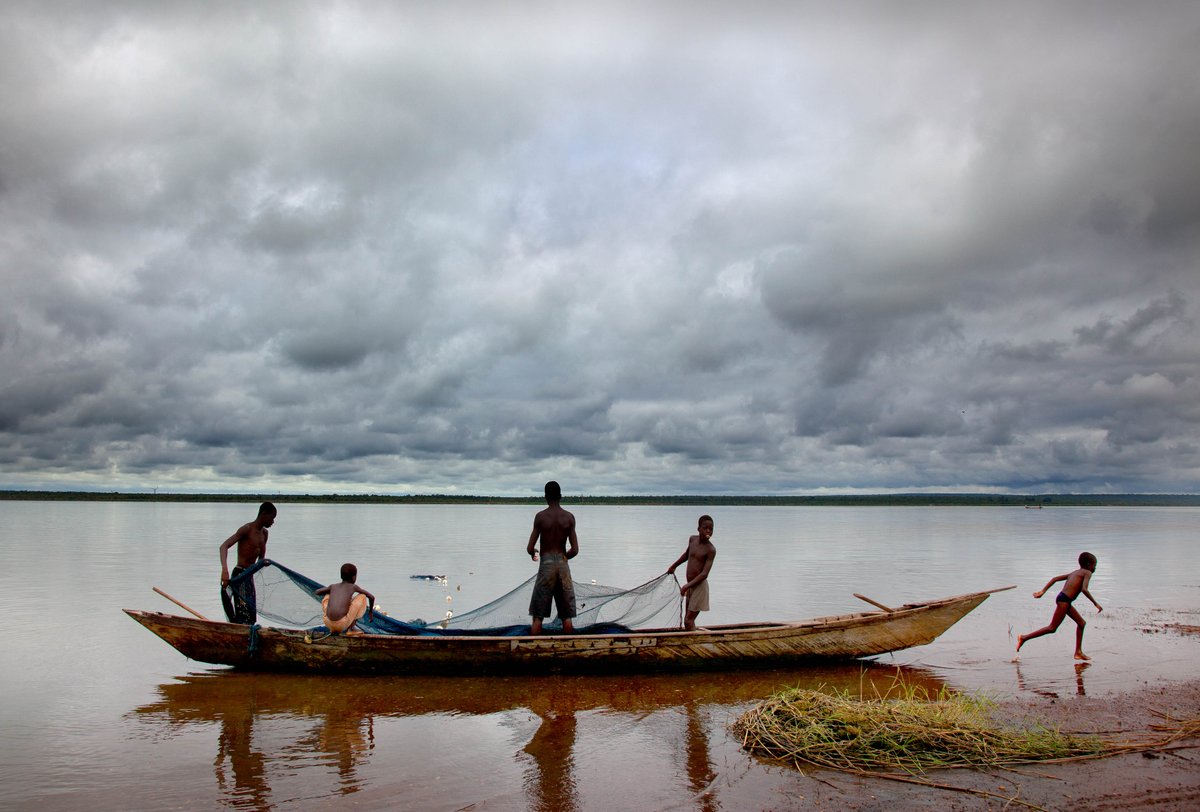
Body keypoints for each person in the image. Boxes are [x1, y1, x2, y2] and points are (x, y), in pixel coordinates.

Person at [1017, 552, 1103, 660]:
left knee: (1081, 623)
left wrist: (1042, 591)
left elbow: (1054, 579)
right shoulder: (1087, 573)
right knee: (1052, 628)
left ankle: (1078, 652)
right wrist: (1096, 603)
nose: (1095, 568)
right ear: (1088, 564)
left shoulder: (1075, 572)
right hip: (1064, 601)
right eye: (1094, 565)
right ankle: (1024, 638)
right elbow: (1084, 589)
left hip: (1064, 599)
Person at [526, 480, 579, 635]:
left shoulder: (541, 517)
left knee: (538, 615)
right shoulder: (569, 518)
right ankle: (569, 649)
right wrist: (563, 558)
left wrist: (533, 553)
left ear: (545, 497)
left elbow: (529, 547)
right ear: (560, 496)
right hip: (563, 566)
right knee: (566, 615)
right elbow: (575, 550)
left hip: (546, 565)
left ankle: (533, 650)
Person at [218, 502, 276, 624]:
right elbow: (223, 546)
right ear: (263, 514)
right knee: (242, 614)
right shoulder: (247, 529)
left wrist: (264, 563)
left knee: (251, 614)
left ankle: (249, 637)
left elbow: (260, 560)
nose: (273, 522)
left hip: (249, 577)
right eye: (271, 518)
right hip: (240, 575)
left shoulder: (264, 534)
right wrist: (225, 570)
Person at [667, 514, 717, 631]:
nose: (708, 531)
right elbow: (686, 555)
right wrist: (673, 566)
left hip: (699, 587)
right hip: (690, 586)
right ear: (698, 528)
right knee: (687, 621)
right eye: (705, 528)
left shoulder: (711, 550)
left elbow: (704, 574)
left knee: (688, 621)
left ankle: (696, 644)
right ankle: (693, 641)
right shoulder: (692, 539)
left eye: (711, 529)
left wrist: (686, 586)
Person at [315, 563, 376, 635]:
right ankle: (351, 629)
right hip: (342, 624)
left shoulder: (333, 586)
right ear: (354, 577)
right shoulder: (353, 587)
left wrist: (332, 591)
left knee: (328, 594)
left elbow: (317, 592)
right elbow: (371, 597)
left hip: (327, 623)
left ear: (341, 576)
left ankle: (333, 629)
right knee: (362, 596)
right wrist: (371, 612)